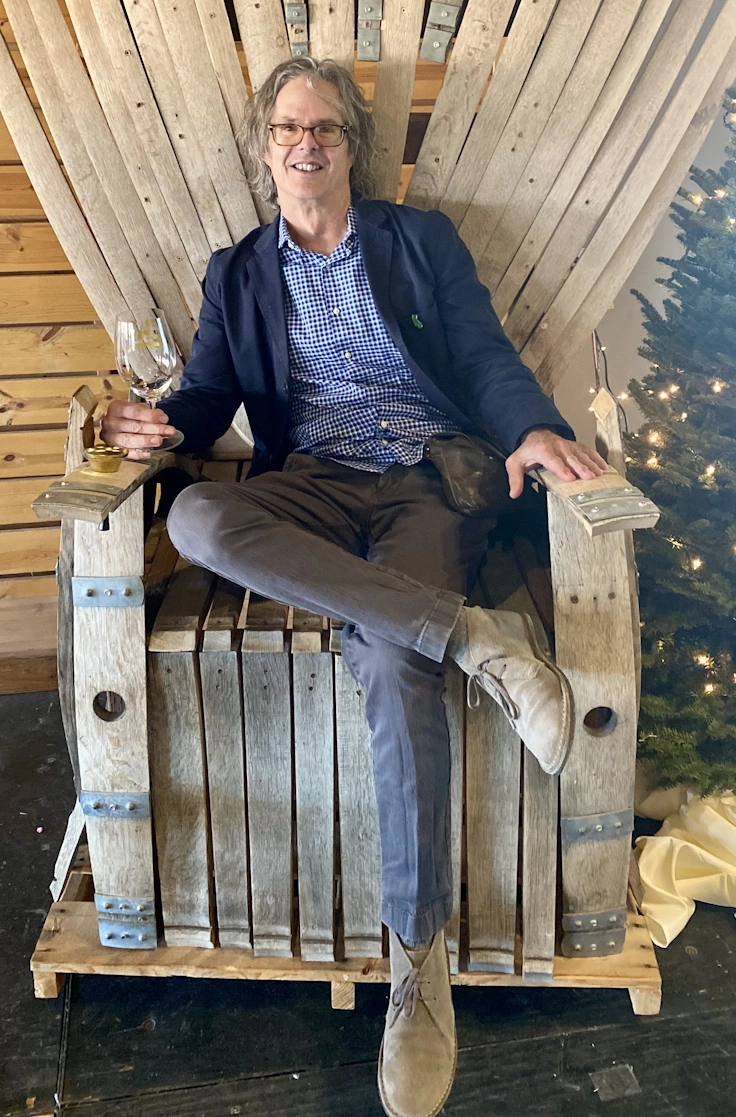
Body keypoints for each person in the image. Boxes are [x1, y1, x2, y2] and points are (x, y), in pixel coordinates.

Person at [102, 57, 606, 1117]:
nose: (306, 143)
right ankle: (471, 636)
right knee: (194, 515)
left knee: (388, 656)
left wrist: (529, 424)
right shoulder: (236, 273)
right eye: (288, 127)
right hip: (310, 487)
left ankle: (415, 971)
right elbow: (203, 395)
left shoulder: (418, 242)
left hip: (424, 482)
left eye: (325, 128)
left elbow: (480, 353)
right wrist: (155, 428)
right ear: (264, 148)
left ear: (348, 149)